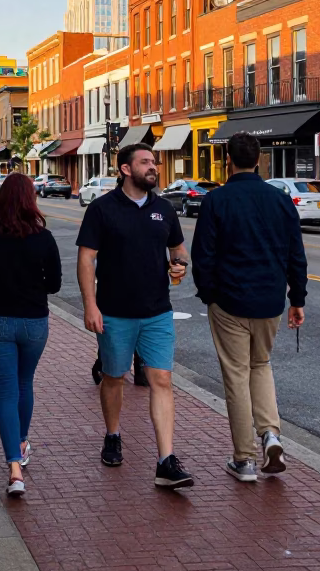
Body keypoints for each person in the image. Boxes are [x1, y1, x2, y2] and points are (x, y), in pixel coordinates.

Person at [76, 143, 194, 489]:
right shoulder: (102, 209)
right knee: (113, 377)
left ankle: (165, 460)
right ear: (126, 169)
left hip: (158, 312)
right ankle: (113, 434)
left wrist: (180, 265)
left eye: (154, 162)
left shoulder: (164, 208)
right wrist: (90, 305)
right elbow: (86, 260)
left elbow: (178, 248)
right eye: (145, 162)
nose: (153, 167)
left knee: (162, 381)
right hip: (114, 312)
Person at [191, 131, 307, 483]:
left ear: (228, 160)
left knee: (236, 376)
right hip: (270, 299)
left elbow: (203, 255)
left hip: (229, 300)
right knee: (261, 365)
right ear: (259, 160)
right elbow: (295, 254)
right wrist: (296, 299)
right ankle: (270, 433)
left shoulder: (217, 200)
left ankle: (244, 460)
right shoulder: (280, 200)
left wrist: (209, 293)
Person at [0, 173, 62, 497]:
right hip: (34, 322)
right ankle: (21, 442)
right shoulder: (44, 237)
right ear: (30, 200)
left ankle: (14, 469)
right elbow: (55, 284)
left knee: (6, 391)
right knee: (24, 383)